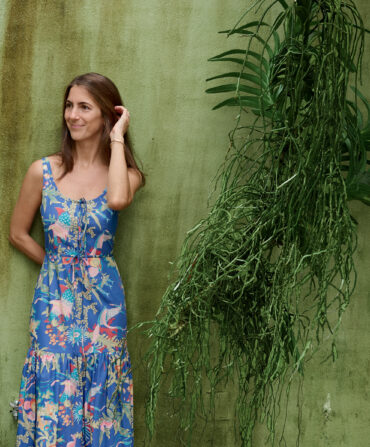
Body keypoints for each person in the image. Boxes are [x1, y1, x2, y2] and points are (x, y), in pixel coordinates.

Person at [8, 72, 145, 447]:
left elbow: (117, 200)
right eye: (69, 106)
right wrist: (58, 266)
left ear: (107, 116)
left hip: (106, 307)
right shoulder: (44, 171)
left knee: (103, 388)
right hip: (54, 305)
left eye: (84, 107)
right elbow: (18, 233)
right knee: (55, 385)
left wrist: (117, 139)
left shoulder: (128, 175)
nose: (73, 115)